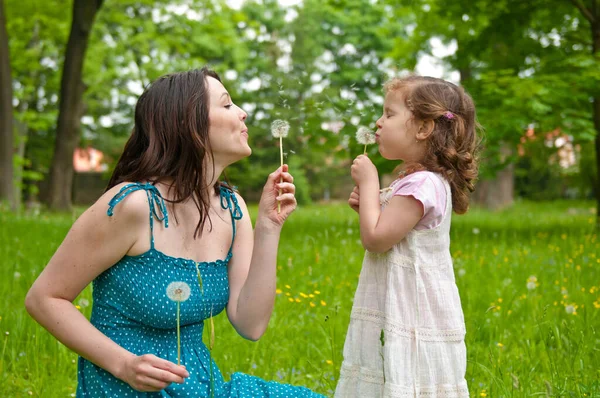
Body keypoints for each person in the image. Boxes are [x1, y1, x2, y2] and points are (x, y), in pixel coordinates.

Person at [26, 67, 324, 397]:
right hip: (124, 387)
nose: (243, 113)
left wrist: (268, 227)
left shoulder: (232, 209)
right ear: (188, 124)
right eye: (226, 105)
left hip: (200, 386)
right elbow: (44, 298)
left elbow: (251, 325)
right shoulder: (133, 205)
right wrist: (124, 364)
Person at [335, 76, 480, 397]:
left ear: (423, 128)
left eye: (389, 114)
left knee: (411, 380)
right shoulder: (420, 181)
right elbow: (395, 235)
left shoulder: (423, 184)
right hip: (408, 302)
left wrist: (371, 184)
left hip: (415, 307)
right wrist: (370, 207)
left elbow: (376, 240)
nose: (378, 122)